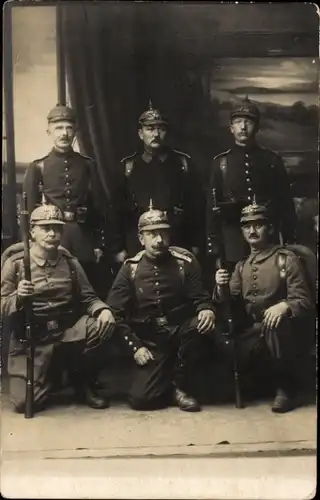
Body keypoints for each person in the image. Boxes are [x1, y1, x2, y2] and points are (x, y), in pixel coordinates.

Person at [1, 205, 115, 414]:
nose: (52, 234)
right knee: (24, 403)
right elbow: (2, 305)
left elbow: (88, 297)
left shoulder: (70, 263)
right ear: (32, 231)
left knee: (102, 325)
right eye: (46, 228)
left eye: (57, 228)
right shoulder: (15, 264)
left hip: (65, 332)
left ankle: (83, 382)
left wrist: (102, 310)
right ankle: (52, 376)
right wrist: (18, 297)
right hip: (32, 339)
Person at [106, 203, 215, 412]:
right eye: (152, 234)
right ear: (141, 238)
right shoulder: (130, 269)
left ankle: (179, 386)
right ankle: (170, 387)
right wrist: (135, 347)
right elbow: (115, 314)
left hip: (181, 333)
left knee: (199, 327)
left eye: (163, 234)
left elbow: (201, 298)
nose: (159, 240)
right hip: (151, 340)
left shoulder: (185, 262)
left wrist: (206, 309)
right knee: (141, 400)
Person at [213, 202, 314, 413]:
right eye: (247, 226)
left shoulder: (286, 259)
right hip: (254, 332)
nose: (252, 231)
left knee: (275, 324)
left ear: (269, 228)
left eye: (258, 225)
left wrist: (284, 306)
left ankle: (286, 389)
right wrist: (220, 286)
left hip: (286, 331)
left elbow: (303, 300)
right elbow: (229, 304)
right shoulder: (241, 267)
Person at [22, 104, 119, 296]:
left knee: (88, 287)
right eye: (58, 128)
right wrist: (30, 244)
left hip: (84, 238)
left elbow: (99, 208)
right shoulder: (38, 167)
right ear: (49, 131)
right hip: (52, 238)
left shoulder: (87, 165)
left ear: (75, 131)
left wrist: (99, 244)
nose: (64, 133)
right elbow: (27, 213)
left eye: (68, 127)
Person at [206, 97, 297, 268]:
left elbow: (286, 205)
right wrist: (215, 248)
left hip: (267, 240)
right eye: (238, 122)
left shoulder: (272, 160)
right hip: (233, 242)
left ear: (257, 127)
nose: (243, 127)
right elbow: (212, 210)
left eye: (248, 122)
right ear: (231, 128)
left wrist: (289, 241)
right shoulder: (220, 163)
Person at [113, 101, 204, 261]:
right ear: (140, 134)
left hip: (177, 240)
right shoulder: (128, 166)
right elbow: (116, 212)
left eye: (160, 129)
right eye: (150, 129)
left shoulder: (183, 164)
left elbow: (196, 208)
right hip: (137, 242)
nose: (155, 134)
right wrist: (118, 248)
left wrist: (195, 244)